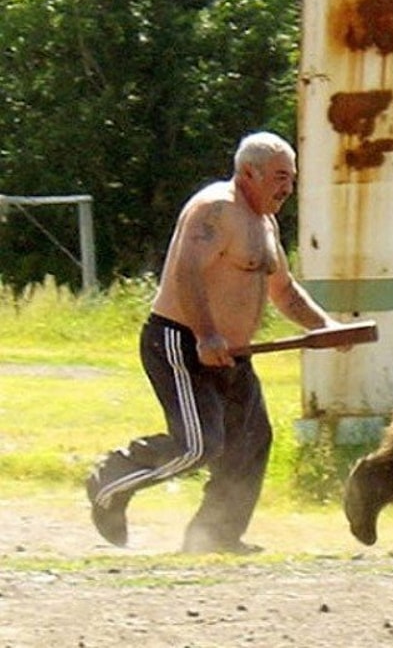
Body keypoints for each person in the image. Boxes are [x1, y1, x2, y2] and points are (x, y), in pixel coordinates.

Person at [86, 131, 344, 554]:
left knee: (250, 442)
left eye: (292, 179)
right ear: (248, 173)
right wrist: (206, 334)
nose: (288, 188)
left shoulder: (264, 222)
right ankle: (112, 478)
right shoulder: (215, 209)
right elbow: (186, 273)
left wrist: (326, 327)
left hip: (233, 355)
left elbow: (285, 291)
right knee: (198, 445)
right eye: (280, 177)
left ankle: (215, 536)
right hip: (181, 344)